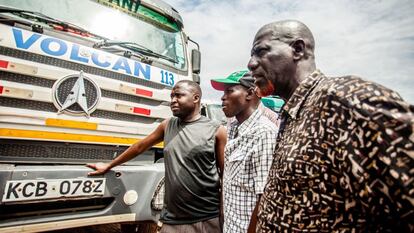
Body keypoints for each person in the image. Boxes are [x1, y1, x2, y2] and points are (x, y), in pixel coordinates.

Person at [247, 19, 414, 232]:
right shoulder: (294, 112)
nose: (251, 63)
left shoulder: (348, 100)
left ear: (297, 49)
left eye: (260, 51)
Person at [87, 80, 227, 233]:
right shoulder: (168, 125)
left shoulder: (217, 131)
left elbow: (225, 176)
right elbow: (139, 147)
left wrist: (223, 214)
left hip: (206, 219)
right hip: (172, 220)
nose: (172, 100)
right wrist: (109, 165)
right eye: (172, 96)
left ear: (196, 98)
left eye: (179, 95)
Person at [211, 70, 278, 233]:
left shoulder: (264, 133)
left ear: (249, 93)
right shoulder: (233, 129)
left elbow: (265, 197)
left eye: (229, 91)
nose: (223, 97)